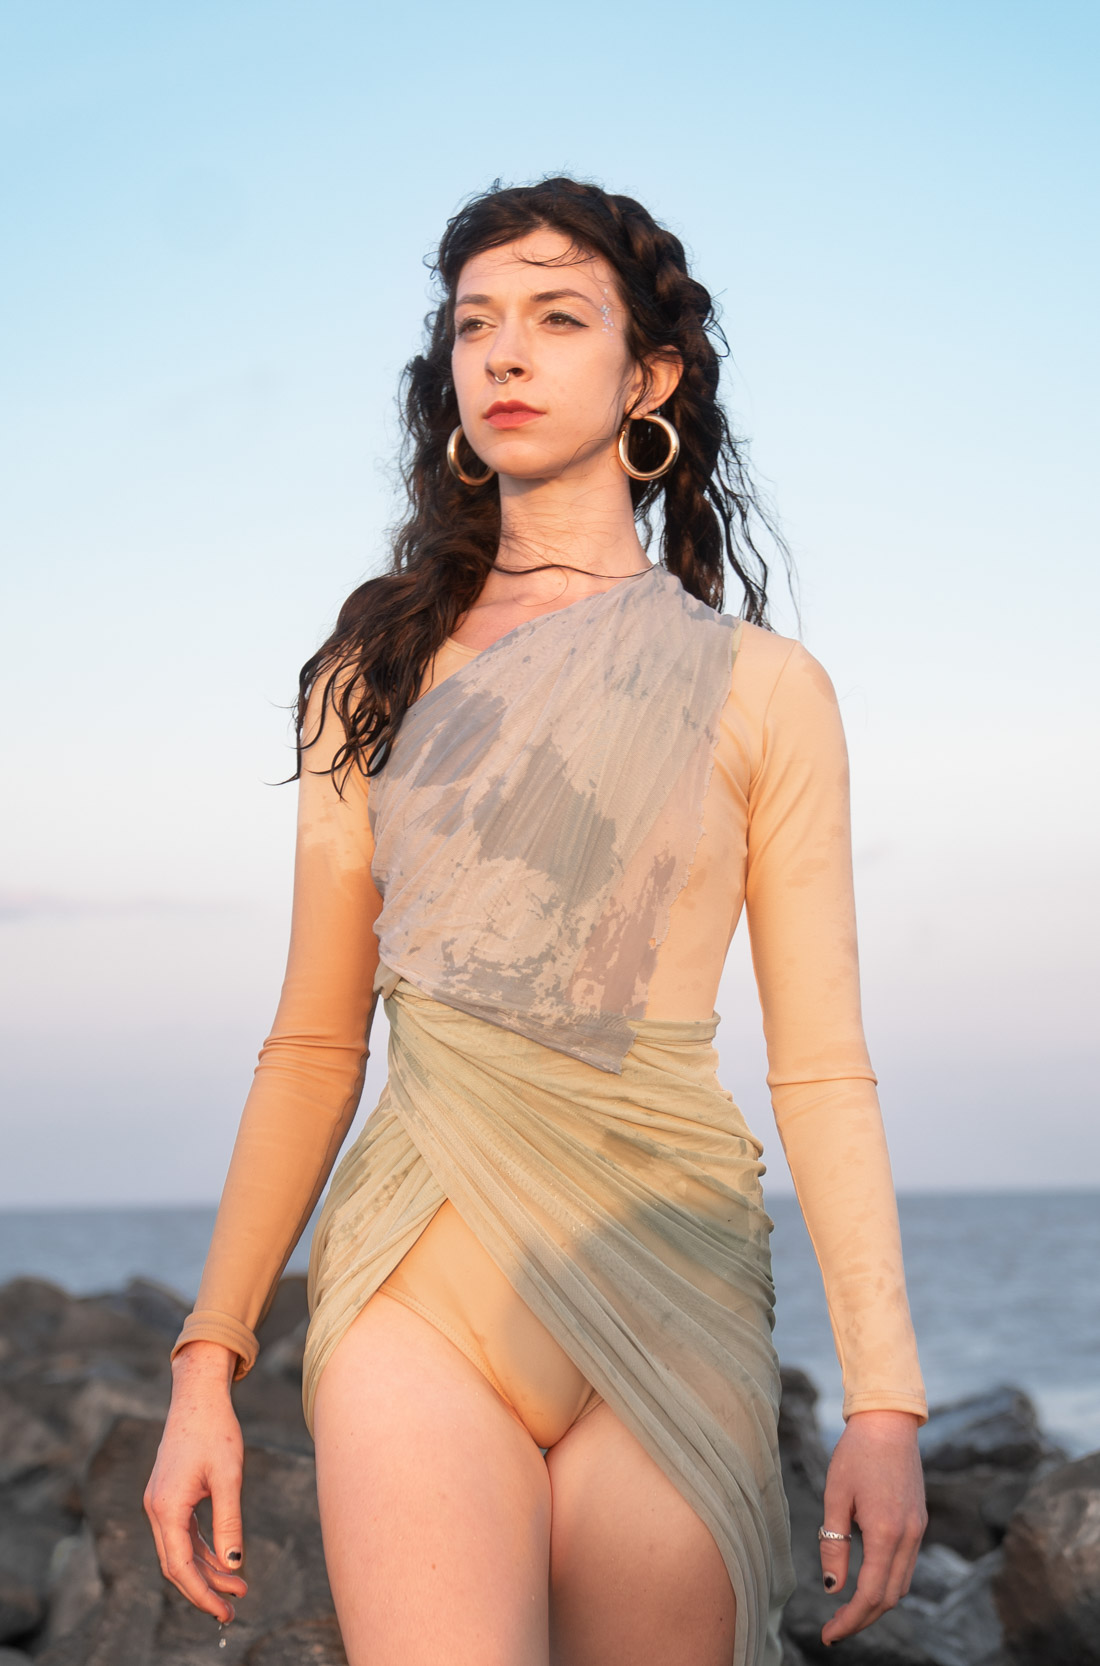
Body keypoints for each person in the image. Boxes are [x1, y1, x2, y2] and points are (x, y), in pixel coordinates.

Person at [144, 176, 928, 1666]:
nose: (504, 354)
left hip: (672, 1274)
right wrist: (207, 1361)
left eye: (558, 319)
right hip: (417, 1284)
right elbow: (315, 1041)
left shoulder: (768, 691)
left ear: (650, 379)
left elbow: (823, 1065)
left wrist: (884, 1398)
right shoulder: (370, 676)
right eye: (474, 325)